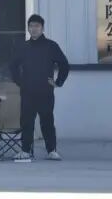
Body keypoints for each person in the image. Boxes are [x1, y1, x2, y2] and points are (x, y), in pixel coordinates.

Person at [10, 13, 69, 162]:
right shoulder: (23, 47)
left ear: (42, 28)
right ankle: (25, 150)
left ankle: (51, 150)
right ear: (28, 28)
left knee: (47, 120)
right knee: (27, 121)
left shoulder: (51, 46)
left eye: (37, 26)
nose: (34, 29)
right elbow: (12, 66)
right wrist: (19, 81)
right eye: (31, 26)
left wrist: (58, 82)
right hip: (27, 91)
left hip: (45, 90)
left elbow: (64, 64)